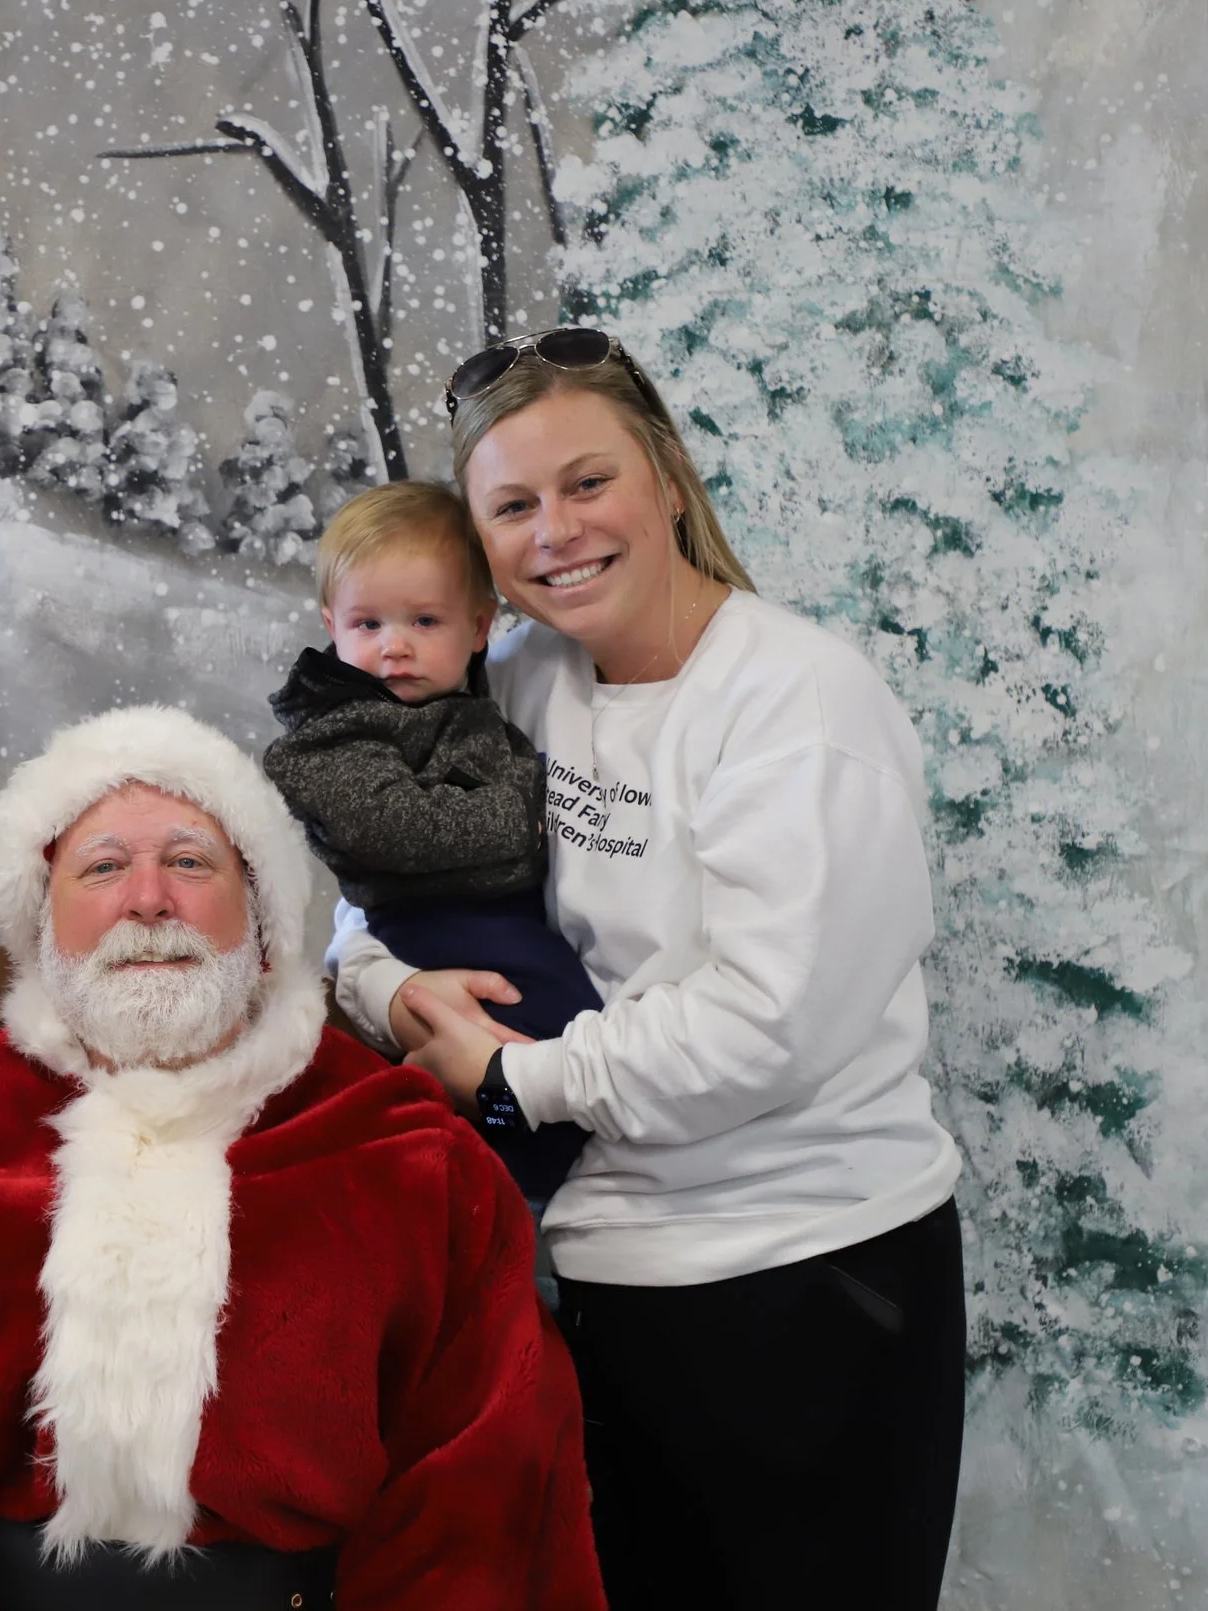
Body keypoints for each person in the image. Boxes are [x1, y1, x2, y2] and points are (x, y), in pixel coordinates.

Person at [0, 705, 604, 1611]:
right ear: (42, 927)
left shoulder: (410, 1156)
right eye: (103, 867)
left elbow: (491, 1465)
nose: (149, 900)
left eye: (190, 861)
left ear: (263, 927)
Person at [329, 327, 966, 1611]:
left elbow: (764, 1027)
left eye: (587, 482)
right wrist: (385, 990)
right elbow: (365, 883)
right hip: (596, 1284)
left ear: (667, 478)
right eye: (513, 505)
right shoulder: (516, 678)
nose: (555, 531)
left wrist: (513, 1078)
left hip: (803, 1277)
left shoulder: (797, 704)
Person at [262, 479, 597, 1203]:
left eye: (424, 620)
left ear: (478, 627)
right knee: (541, 1026)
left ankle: (505, 1167)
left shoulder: (470, 697)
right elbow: (393, 828)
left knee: (562, 1021)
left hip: (500, 917)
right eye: (368, 624)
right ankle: (494, 1173)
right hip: (430, 924)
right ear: (331, 625)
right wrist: (522, 812)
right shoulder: (334, 732)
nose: (395, 647)